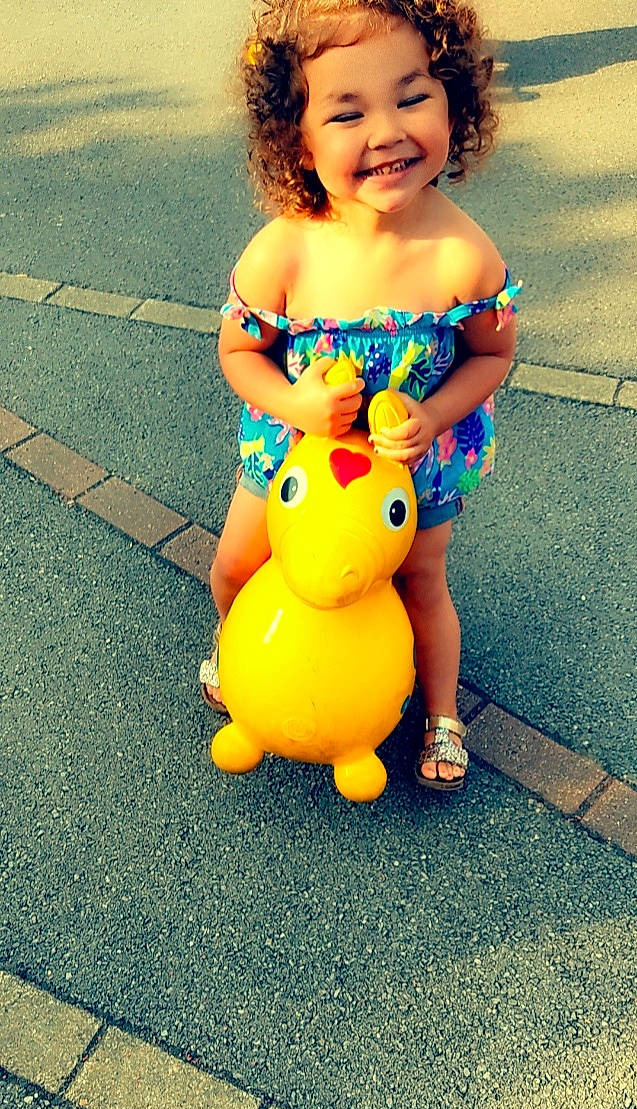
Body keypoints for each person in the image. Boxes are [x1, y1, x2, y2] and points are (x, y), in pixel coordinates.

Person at [200, 0, 520, 790]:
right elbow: (240, 351)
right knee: (237, 563)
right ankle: (247, 652)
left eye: (412, 96)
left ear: (454, 100)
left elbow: (493, 355)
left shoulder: (462, 255)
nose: (387, 131)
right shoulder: (285, 249)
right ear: (297, 140)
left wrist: (436, 412)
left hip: (412, 461)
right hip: (294, 451)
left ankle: (441, 713)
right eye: (347, 112)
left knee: (421, 582)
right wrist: (297, 404)